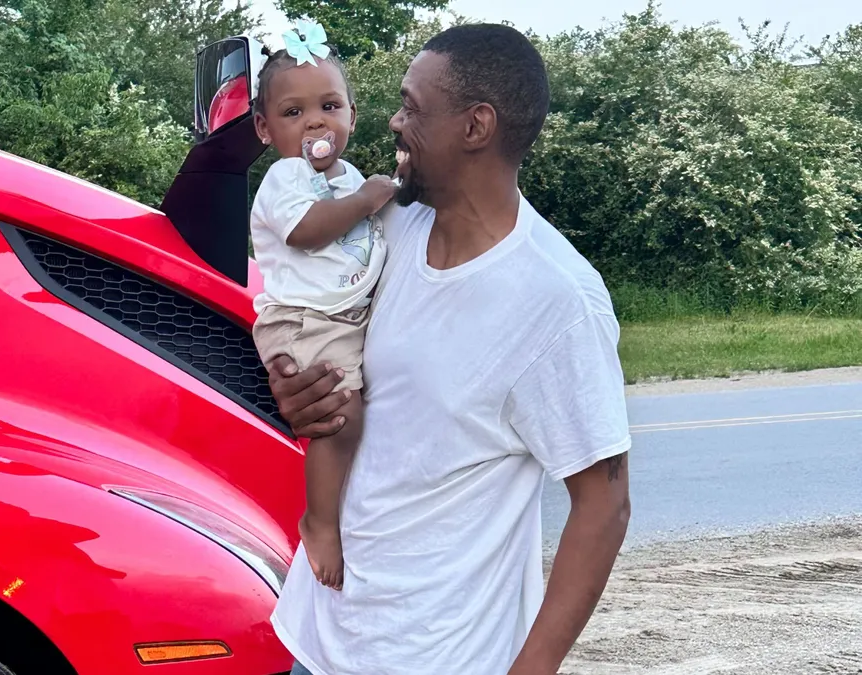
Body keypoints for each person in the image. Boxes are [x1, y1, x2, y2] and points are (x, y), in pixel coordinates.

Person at [268, 23, 633, 675]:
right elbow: (334, 360)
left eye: (411, 106)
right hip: (321, 635)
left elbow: (603, 503)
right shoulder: (390, 226)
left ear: (476, 126)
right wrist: (301, 393)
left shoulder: (556, 299)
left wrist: (534, 666)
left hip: (434, 655)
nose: (392, 121)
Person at [249, 22, 399, 591]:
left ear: (351, 117)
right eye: (293, 112)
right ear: (265, 128)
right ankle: (321, 521)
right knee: (341, 416)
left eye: (329, 105)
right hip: (304, 319)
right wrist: (367, 200)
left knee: (355, 412)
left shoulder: (346, 178)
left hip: (339, 316)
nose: (315, 121)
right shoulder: (287, 179)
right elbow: (308, 234)